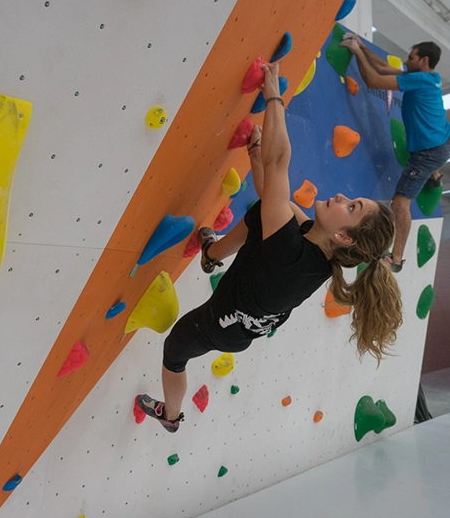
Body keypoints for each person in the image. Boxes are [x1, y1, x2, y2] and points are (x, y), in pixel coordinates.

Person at [137, 62, 403, 433]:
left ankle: (170, 417)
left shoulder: (288, 252)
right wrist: (255, 151)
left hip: (219, 325)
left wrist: (273, 94)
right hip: (248, 317)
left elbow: (279, 164)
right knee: (264, 213)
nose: (342, 196)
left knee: (174, 353)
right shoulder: (319, 249)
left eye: (351, 207)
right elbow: (272, 197)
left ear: (345, 237)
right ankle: (211, 256)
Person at [340, 35, 450, 272]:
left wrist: (356, 52)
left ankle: (396, 259)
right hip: (439, 143)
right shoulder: (430, 78)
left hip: (427, 152)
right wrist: (361, 45)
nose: (406, 61)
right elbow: (382, 66)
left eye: (411, 57)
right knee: (430, 159)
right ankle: (434, 174)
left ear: (424, 60)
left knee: (400, 203)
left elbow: (373, 80)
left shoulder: (419, 80)